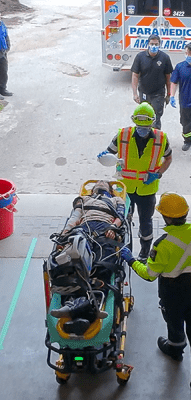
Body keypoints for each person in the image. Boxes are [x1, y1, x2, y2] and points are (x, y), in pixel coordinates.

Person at [97, 102, 172, 263]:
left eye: (145, 126)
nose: (141, 129)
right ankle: (124, 252)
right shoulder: (122, 135)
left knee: (146, 224)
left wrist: (158, 174)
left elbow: (169, 158)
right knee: (122, 221)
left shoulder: (161, 139)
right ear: (134, 121)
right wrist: (103, 156)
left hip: (147, 190)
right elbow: (109, 153)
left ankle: (144, 253)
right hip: (125, 190)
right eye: (139, 125)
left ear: (152, 122)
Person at [121, 193, 191, 362]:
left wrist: (131, 260)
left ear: (166, 217)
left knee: (174, 320)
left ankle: (175, 348)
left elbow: (149, 274)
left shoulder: (163, 244)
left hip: (173, 290)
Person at [62, 180, 126, 262]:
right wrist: (65, 233)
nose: (101, 182)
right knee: (75, 250)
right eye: (98, 183)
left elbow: (120, 217)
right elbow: (75, 216)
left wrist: (113, 227)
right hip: (85, 226)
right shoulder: (83, 198)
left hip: (105, 228)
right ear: (92, 191)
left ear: (111, 191)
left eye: (104, 183)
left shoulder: (117, 200)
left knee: (105, 255)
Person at [131, 34, 173, 130]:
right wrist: (135, 93)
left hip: (158, 94)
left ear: (159, 44)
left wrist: (169, 94)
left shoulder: (165, 58)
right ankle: (144, 138)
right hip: (144, 93)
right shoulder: (140, 57)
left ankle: (156, 140)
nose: (154, 46)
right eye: (152, 44)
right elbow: (135, 75)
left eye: (156, 44)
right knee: (143, 117)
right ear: (148, 44)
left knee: (156, 118)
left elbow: (168, 77)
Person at [170, 42, 191, 151]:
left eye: (189, 53)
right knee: (185, 123)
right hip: (185, 101)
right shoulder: (180, 67)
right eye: (187, 53)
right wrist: (172, 96)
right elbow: (174, 82)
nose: (188, 55)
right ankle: (187, 141)